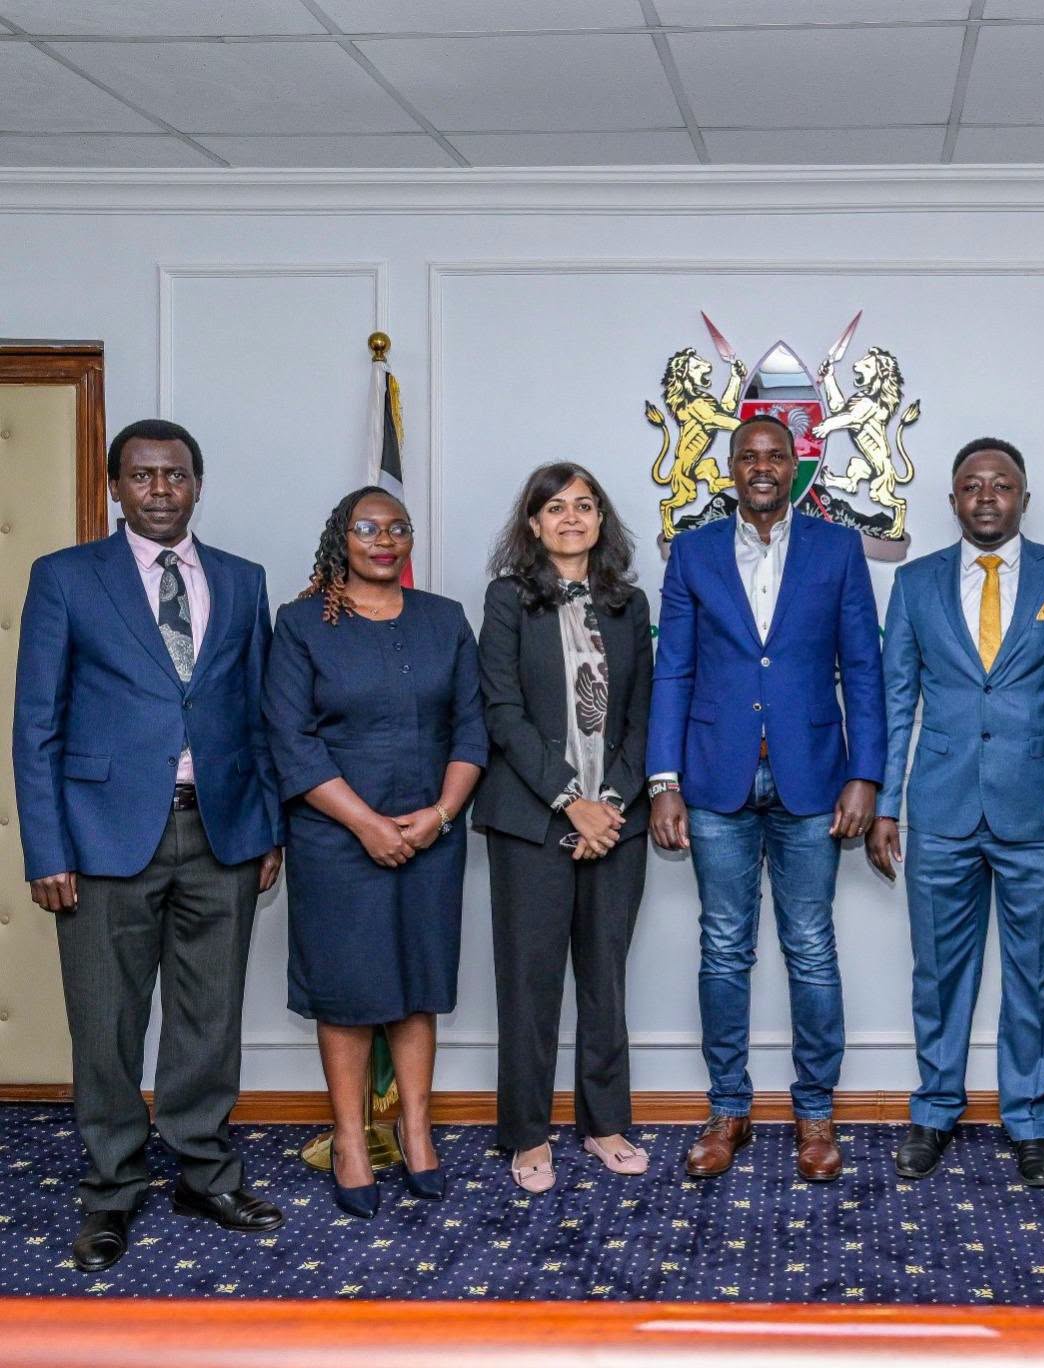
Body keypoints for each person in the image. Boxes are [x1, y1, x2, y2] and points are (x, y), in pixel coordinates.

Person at [12, 418, 285, 1273]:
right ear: (115, 488)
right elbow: (35, 723)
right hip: (100, 837)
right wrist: (46, 848)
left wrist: (267, 825)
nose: (160, 489)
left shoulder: (242, 580)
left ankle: (205, 1171)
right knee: (107, 1022)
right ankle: (111, 1188)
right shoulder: (65, 577)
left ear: (197, 485)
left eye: (175, 475)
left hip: (222, 829)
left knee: (210, 1016)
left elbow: (259, 713)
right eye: (142, 475)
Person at [647, 413, 886, 1182]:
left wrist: (866, 774)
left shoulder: (837, 549)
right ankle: (728, 1109)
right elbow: (673, 670)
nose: (761, 466)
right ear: (730, 468)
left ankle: (815, 1114)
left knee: (811, 947)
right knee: (723, 946)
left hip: (813, 779)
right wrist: (662, 781)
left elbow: (865, 669)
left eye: (775, 455)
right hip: (713, 778)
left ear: (796, 467)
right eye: (747, 455)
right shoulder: (693, 552)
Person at [869, 438, 1044, 1188]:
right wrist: (885, 803)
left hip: (1041, 813)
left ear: (1023, 498)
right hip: (940, 810)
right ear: (953, 501)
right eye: (971, 485)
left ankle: (1032, 1120)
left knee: (1037, 974)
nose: (986, 496)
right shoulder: (914, 583)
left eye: (1000, 484)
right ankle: (935, 1110)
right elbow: (895, 703)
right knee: (938, 973)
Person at [264, 486, 486, 1218]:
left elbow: (471, 728)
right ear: (342, 538)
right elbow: (290, 738)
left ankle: (416, 1131)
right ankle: (352, 1140)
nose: (383, 540)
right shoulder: (302, 624)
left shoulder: (445, 619)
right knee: (348, 990)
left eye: (397, 528)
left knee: (419, 983)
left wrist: (442, 814)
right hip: (336, 839)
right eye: (366, 528)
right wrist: (365, 824)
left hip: (430, 835)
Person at [474, 463, 653, 1194]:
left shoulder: (629, 604)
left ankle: (605, 1124)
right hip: (532, 819)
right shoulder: (508, 599)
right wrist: (568, 800)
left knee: (605, 981)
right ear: (534, 523)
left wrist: (607, 802)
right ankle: (527, 1133)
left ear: (601, 520)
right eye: (555, 507)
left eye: (584, 505)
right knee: (530, 983)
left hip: (617, 820)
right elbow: (502, 711)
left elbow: (643, 713)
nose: (571, 518)